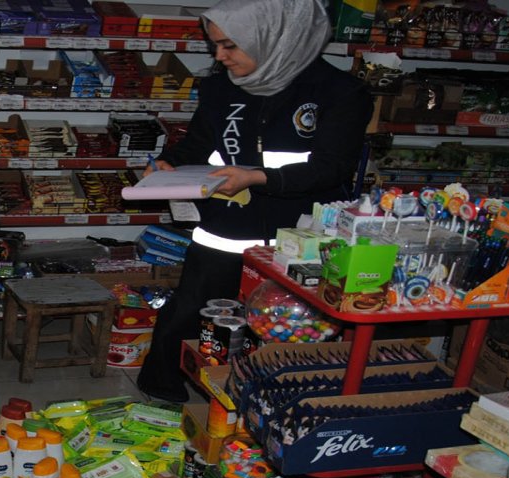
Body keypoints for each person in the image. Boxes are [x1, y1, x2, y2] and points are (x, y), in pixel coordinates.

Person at [136, 0, 373, 402]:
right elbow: (198, 145)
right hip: (225, 229)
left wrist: (259, 177)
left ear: (274, 38)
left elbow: (332, 168)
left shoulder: (339, 92)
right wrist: (168, 164)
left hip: (300, 238)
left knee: (287, 326)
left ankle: (274, 401)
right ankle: (163, 391)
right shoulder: (221, 87)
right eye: (214, 45)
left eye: (230, 45)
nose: (219, 56)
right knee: (191, 310)